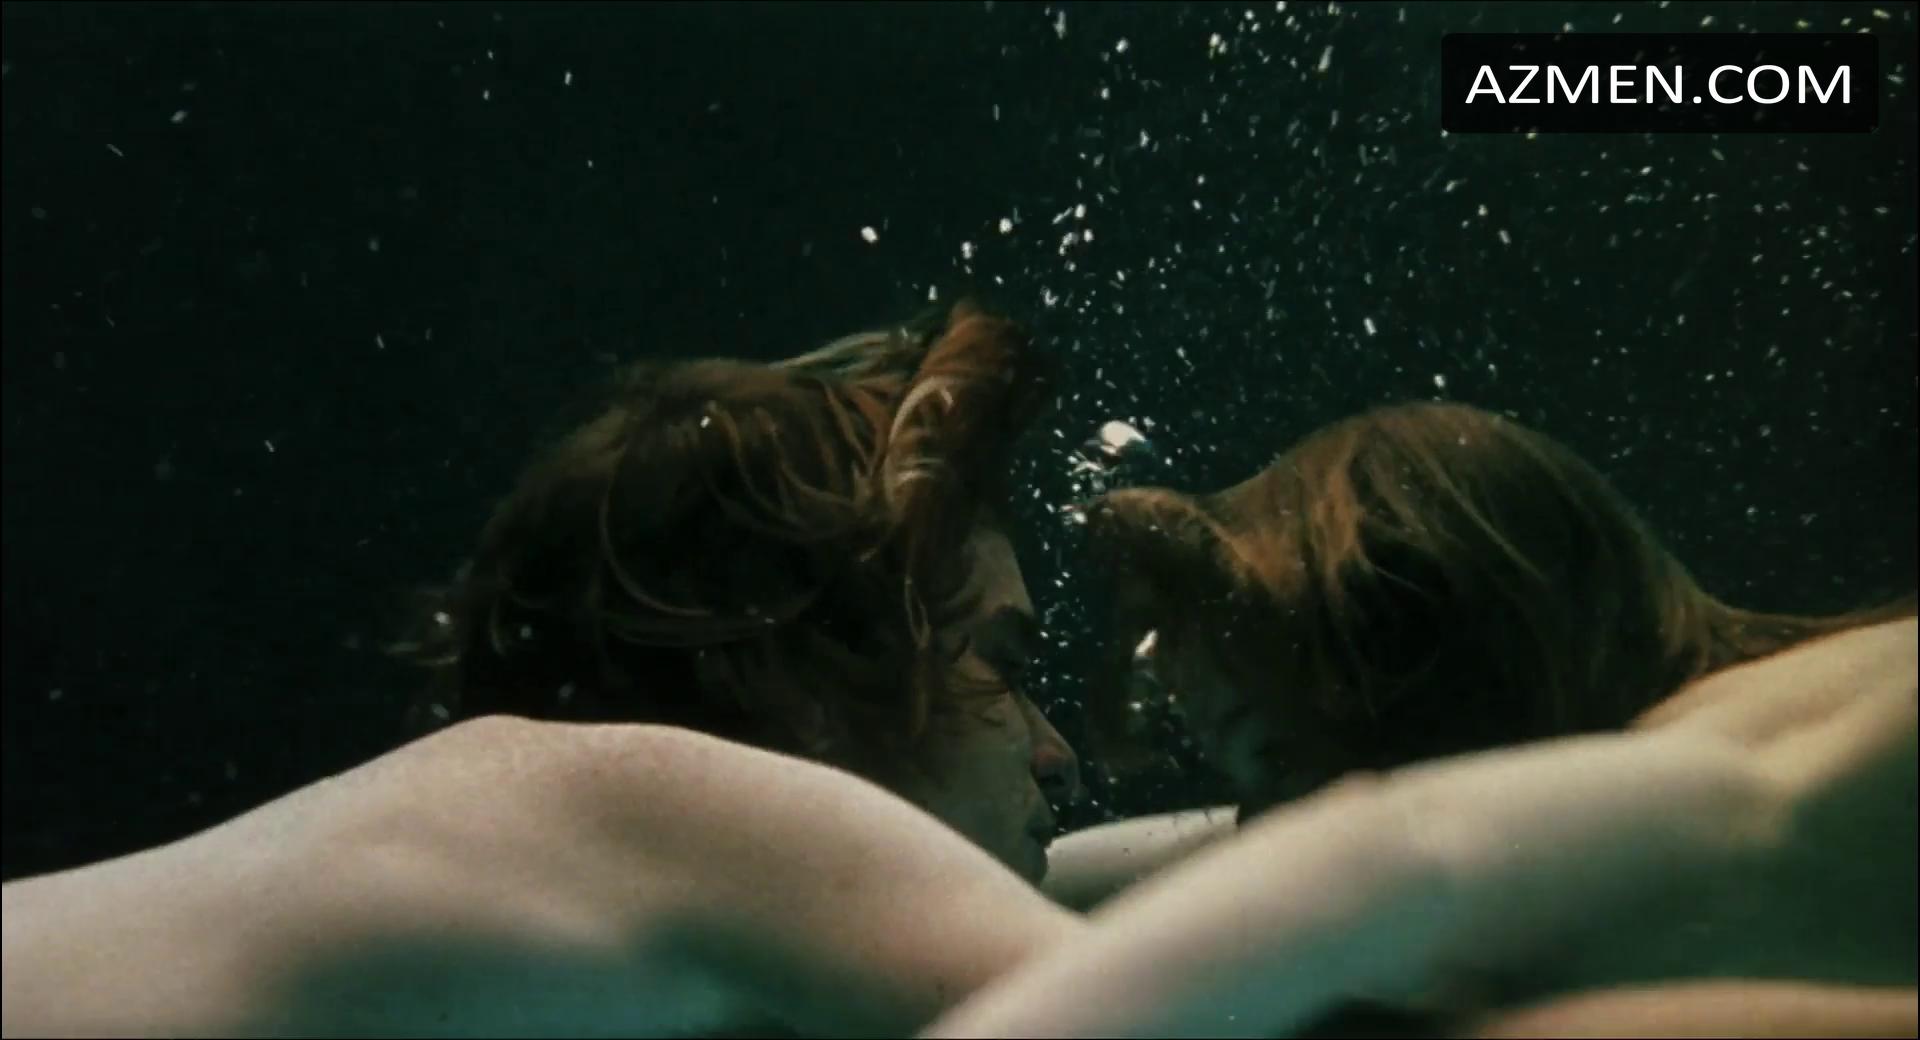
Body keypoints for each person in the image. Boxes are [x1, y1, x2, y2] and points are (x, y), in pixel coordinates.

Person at [3, 299, 1093, 1038]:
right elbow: (1115, 1007)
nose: (1060, 755)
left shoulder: (581, 863)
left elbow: (1093, 887)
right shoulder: (668, 805)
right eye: (1001, 664)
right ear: (812, 676)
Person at [919, 400, 1917, 1037]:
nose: (1267, 828)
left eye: (1280, 762)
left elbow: (1389, 854)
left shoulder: (1753, 767)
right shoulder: (1723, 749)